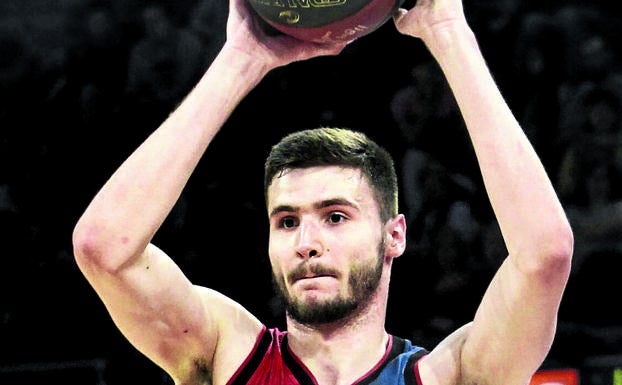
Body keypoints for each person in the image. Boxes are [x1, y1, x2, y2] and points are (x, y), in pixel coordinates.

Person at [72, 0, 574, 384]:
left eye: (336, 216)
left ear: (393, 235)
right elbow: (105, 248)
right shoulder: (226, 353)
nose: (306, 241)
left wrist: (448, 34)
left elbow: (544, 256)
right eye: (287, 221)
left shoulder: (449, 374)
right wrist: (241, 60)